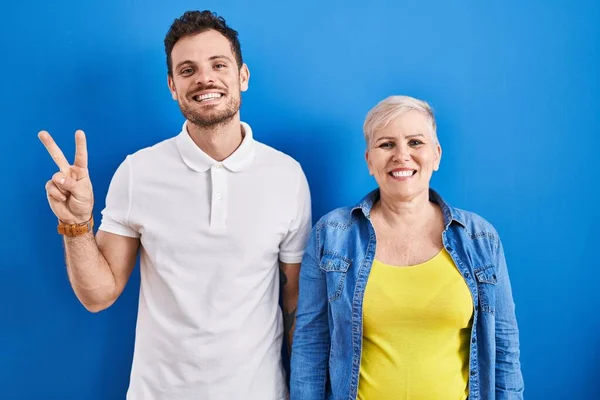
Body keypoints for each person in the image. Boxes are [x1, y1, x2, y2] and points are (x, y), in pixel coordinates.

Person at [38, 10, 311, 400]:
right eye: (187, 70)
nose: (205, 78)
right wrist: (77, 224)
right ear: (172, 85)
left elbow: (295, 302)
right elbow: (98, 295)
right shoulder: (138, 172)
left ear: (242, 76)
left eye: (219, 64)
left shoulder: (287, 176)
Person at [290, 95, 523, 400]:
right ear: (369, 161)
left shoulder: (480, 238)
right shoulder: (332, 235)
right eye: (386, 144)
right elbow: (310, 345)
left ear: (436, 155)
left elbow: (504, 349)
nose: (402, 155)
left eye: (415, 142)